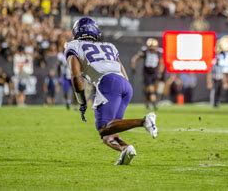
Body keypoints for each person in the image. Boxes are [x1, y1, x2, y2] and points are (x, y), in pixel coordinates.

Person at [65, 17, 158, 165]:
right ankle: (126, 149)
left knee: (103, 128)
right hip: (124, 85)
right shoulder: (109, 46)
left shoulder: (73, 45)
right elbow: (122, 69)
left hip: (108, 83)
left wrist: (81, 102)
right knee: (109, 131)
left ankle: (144, 121)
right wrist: (123, 89)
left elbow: (76, 77)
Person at [130, 38, 164, 110]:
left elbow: (161, 63)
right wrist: (133, 67)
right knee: (150, 88)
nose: (152, 49)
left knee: (151, 89)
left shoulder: (159, 52)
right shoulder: (145, 51)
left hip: (155, 72)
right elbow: (134, 59)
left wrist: (160, 72)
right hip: (147, 73)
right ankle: (154, 103)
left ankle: (148, 102)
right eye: (150, 47)